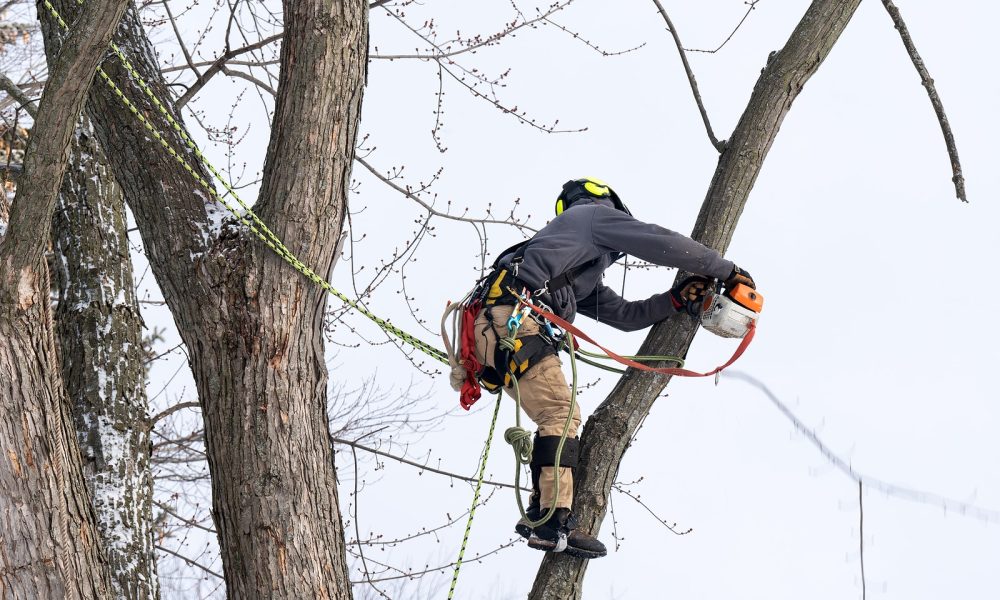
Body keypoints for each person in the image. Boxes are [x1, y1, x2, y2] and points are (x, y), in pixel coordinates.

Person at [471, 177, 756, 559]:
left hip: (498, 330)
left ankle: (543, 512)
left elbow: (624, 315)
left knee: (556, 415)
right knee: (561, 413)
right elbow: (658, 241)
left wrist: (674, 299)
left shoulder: (575, 269)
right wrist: (726, 270)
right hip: (512, 321)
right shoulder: (592, 215)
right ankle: (552, 520)